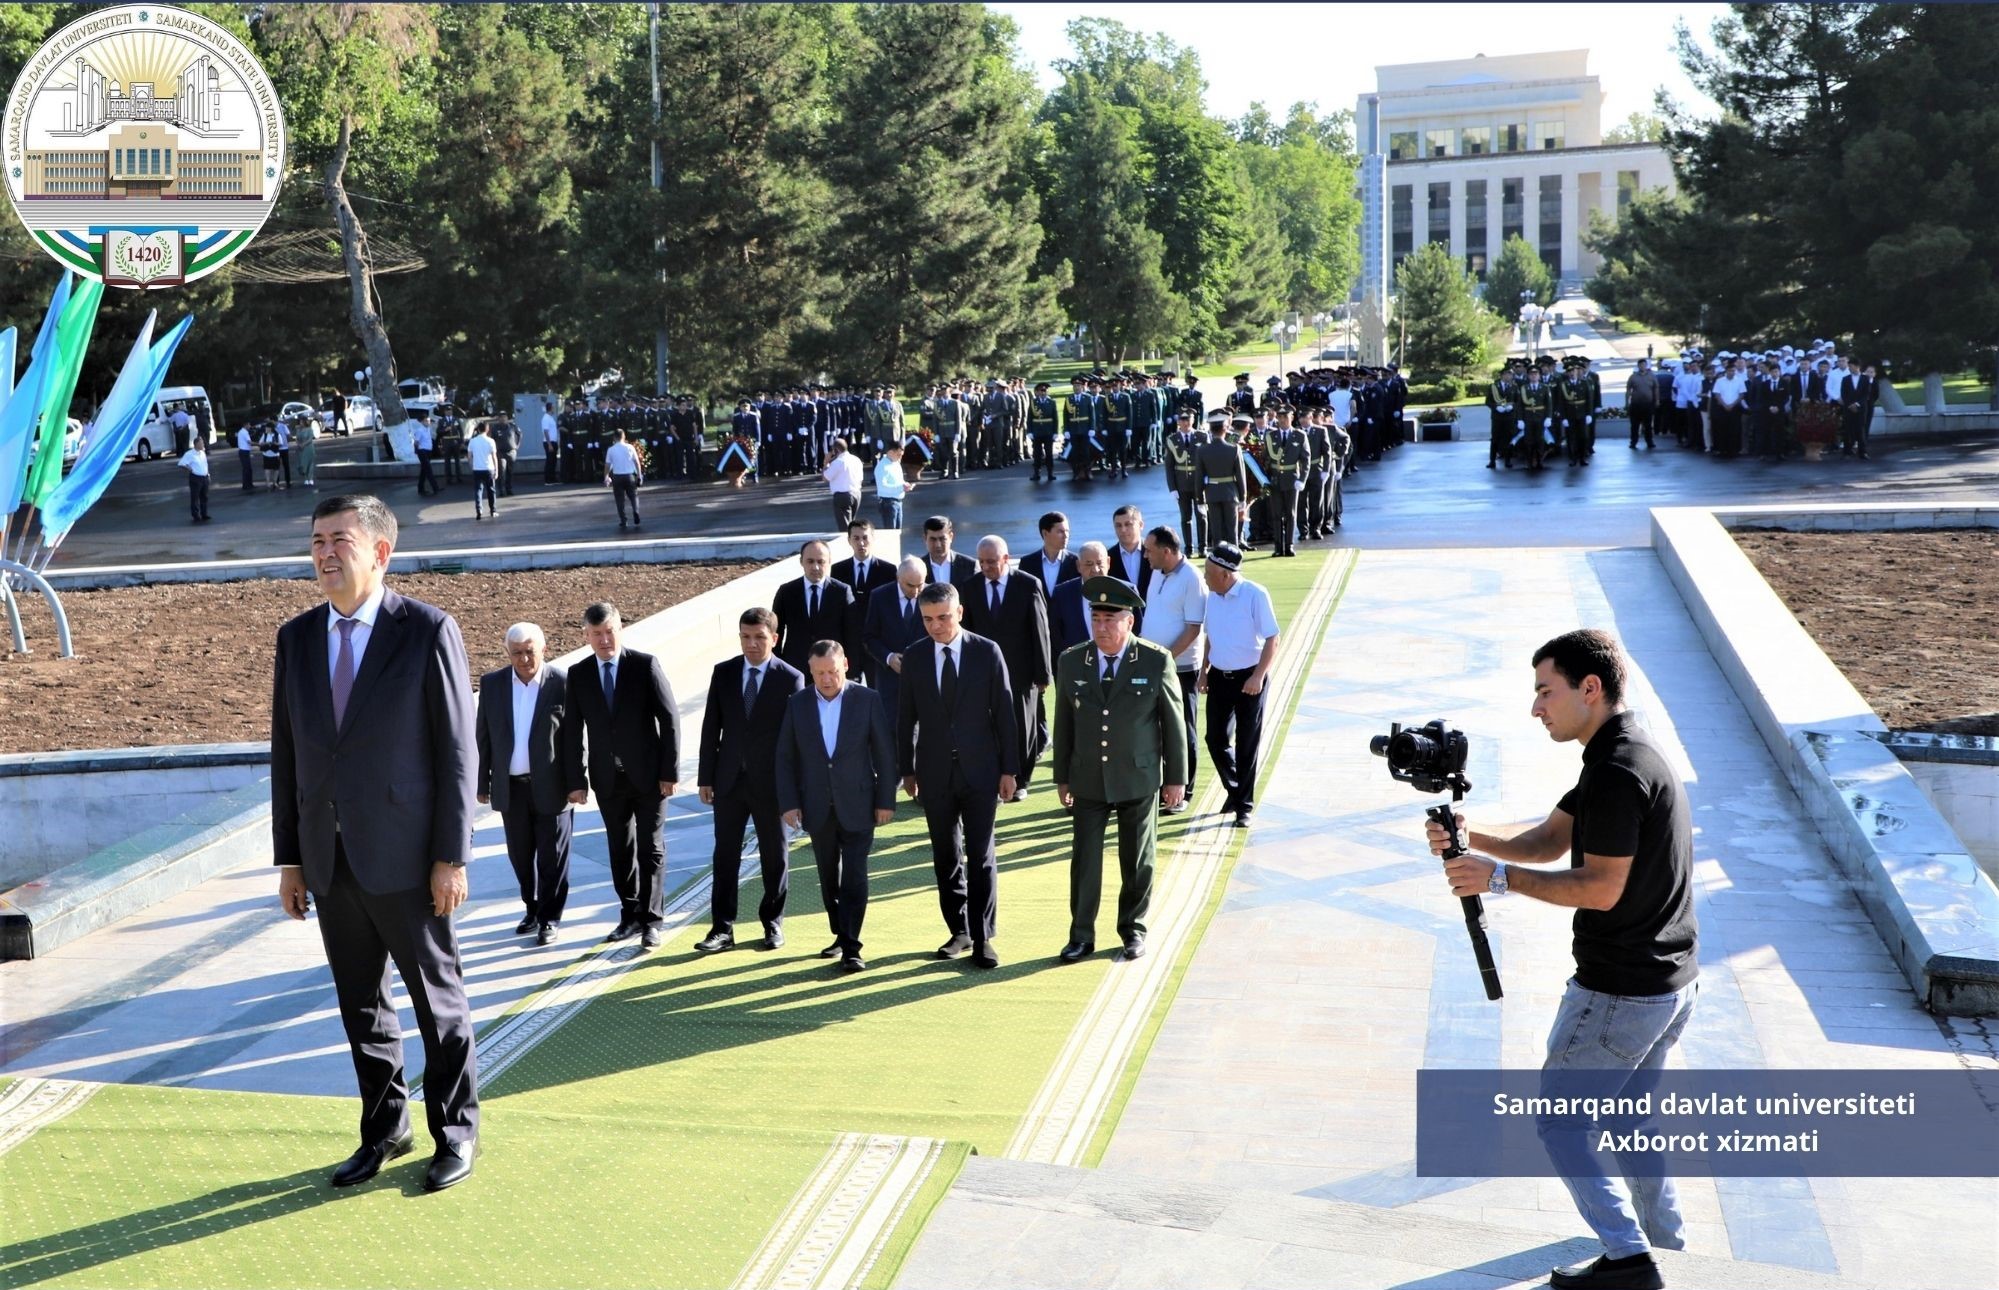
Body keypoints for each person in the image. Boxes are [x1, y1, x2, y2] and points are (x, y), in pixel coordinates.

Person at [1430, 630, 1697, 1290]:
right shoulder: (1622, 752)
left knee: (1560, 1124)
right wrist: (1471, 838)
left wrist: (1495, 879)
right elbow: (1551, 840)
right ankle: (1668, 1246)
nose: (1534, 708)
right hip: (1669, 985)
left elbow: (1600, 889)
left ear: (1589, 689)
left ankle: (1628, 1260)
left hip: (1620, 992)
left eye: (1544, 692)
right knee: (1631, 1115)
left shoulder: (1614, 772)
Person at [270, 493, 480, 1193]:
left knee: (434, 1003)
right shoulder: (296, 638)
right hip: (330, 862)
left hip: (409, 859)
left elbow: (456, 753)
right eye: (317, 541)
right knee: (360, 1004)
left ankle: (455, 1133)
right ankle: (384, 1128)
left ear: (381, 552)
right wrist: (291, 857)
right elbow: (288, 756)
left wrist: (451, 855)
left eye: (340, 540)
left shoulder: (426, 630)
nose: (325, 553)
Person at [1051, 576, 1187, 964]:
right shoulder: (1073, 660)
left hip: (1138, 776)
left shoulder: (1155, 659)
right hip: (1088, 776)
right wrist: (1062, 776)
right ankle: (1081, 935)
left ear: (1130, 621)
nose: (1102, 628)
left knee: (1137, 859)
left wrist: (1176, 778)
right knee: (1085, 860)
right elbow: (1064, 723)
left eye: (1111, 620)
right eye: (1096, 619)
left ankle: (1133, 930)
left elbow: (1173, 723)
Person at [895, 582, 1019, 969]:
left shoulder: (986, 652)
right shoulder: (914, 657)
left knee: (980, 855)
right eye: (928, 619)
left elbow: (1004, 713)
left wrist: (1010, 769)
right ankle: (959, 930)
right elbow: (905, 719)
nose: (936, 626)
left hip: (981, 771)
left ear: (959, 613)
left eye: (944, 617)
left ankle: (983, 936)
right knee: (945, 854)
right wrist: (907, 769)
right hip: (933, 773)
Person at [563, 601, 680, 949]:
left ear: (620, 629)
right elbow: (572, 731)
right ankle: (629, 914)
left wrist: (669, 771)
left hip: (649, 777)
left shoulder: (644, 666)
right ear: (586, 636)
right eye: (596, 634)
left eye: (609, 631)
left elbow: (669, 719)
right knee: (620, 848)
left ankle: (652, 921)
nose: (604, 640)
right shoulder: (579, 674)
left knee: (651, 848)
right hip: (607, 779)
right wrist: (576, 781)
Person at [776, 641, 897, 972]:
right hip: (817, 806)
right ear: (810, 671)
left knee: (854, 877)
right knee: (829, 877)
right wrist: (788, 803)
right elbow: (785, 758)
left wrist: (886, 800)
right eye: (819, 673)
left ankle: (852, 946)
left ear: (845, 664)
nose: (826, 679)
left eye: (832, 671)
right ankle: (840, 932)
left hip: (859, 804)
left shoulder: (867, 700)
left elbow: (885, 754)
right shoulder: (798, 703)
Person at [694, 608, 804, 954]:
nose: (751, 644)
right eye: (745, 636)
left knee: (775, 855)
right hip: (728, 782)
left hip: (771, 785)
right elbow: (711, 727)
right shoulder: (724, 673)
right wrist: (705, 777)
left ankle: (772, 923)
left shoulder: (790, 678)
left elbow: (795, 741)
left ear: (774, 638)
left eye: (759, 637)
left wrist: (792, 791)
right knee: (725, 855)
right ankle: (722, 929)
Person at [474, 622, 573, 946]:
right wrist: (482, 782)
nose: (524, 659)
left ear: (543, 650)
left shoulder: (561, 683)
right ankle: (531, 909)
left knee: (551, 858)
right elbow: (483, 736)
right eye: (517, 653)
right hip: (511, 788)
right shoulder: (493, 684)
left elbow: (574, 740)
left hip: (553, 788)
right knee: (520, 855)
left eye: (530, 652)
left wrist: (577, 782)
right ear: (508, 653)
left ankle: (549, 918)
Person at [958, 535, 1052, 800]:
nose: (986, 567)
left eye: (991, 562)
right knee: (989, 726)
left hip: (1022, 671)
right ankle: (997, 777)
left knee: (1023, 726)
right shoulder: (971, 586)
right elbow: (967, 633)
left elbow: (1039, 630)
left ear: (1006, 559)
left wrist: (1042, 672)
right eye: (982, 562)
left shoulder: (1027, 584)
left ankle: (1021, 779)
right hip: (984, 673)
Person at [1199, 542, 1279, 828]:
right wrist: (1204, 670)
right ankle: (1236, 790)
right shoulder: (1213, 596)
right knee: (1215, 739)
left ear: (1225, 575)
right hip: (1220, 676)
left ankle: (1243, 806)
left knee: (1247, 743)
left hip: (1250, 677)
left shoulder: (1254, 594)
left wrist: (1258, 676)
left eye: (1208, 573)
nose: (1205, 578)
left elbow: (1272, 638)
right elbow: (1210, 635)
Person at [1139, 525, 1205, 812]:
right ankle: (1160, 786)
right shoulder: (1157, 572)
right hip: (1154, 665)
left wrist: (1165, 658)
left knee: (1182, 728)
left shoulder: (1192, 578)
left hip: (1180, 668)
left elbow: (1193, 629)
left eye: (1149, 550)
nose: (1145, 555)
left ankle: (1184, 791)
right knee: (1153, 727)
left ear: (1166, 552)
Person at [774, 539, 856, 674]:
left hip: (830, 669)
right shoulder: (786, 592)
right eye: (810, 561)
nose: (815, 567)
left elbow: (852, 634)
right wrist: (777, 665)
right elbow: (777, 632)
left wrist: (852, 671)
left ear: (829, 562)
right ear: (801, 562)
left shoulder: (842, 591)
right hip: (795, 668)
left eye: (821, 561)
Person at [864, 556, 930, 718]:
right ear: (898, 578)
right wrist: (888, 657)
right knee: (891, 733)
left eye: (919, 585)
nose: (915, 592)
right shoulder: (880, 596)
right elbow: (869, 637)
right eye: (910, 585)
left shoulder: (933, 595)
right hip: (890, 683)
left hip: (925, 679)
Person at [1195, 412, 1247, 555]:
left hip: (1212, 493)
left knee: (1217, 530)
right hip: (1230, 492)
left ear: (1211, 430)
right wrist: (1243, 497)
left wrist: (1199, 499)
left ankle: (1218, 559)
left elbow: (1199, 477)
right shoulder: (1234, 448)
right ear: (1225, 429)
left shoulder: (1202, 450)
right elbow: (1240, 476)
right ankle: (1235, 558)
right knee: (1232, 529)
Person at [1048, 541, 1111, 659]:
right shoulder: (1062, 593)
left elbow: (1135, 627)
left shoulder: (1126, 590)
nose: (1095, 569)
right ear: (1078, 566)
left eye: (1099, 563)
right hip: (1077, 663)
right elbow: (1055, 632)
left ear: (1108, 563)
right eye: (1089, 564)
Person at [1164, 410, 1208, 557]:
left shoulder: (1202, 436)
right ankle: (1189, 548)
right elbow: (1169, 466)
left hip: (1199, 483)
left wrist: (1207, 478)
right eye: (1183, 419)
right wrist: (1172, 488)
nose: (1185, 422)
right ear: (1178, 422)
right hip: (1182, 484)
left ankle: (1203, 547)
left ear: (1193, 420)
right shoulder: (1173, 439)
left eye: (1188, 419)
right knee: (1186, 517)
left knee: (1201, 515)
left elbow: (1207, 461)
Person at [1017, 511, 1079, 598]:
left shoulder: (1076, 562)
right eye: (1060, 532)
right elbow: (1021, 596)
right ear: (1045, 533)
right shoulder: (1027, 563)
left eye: (1067, 531)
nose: (1066, 536)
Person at [1107, 504, 1154, 595]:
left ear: (1141, 525)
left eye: (1128, 524)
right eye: (1118, 525)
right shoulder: (1108, 557)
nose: (1123, 529)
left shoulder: (1155, 553)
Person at [920, 515, 978, 586]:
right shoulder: (917, 568)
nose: (938, 545)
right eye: (933, 539)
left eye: (942, 539)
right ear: (925, 539)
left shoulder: (969, 566)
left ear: (951, 537)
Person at [604, 428, 643, 530]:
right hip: (629, 475)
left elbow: (607, 465)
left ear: (614, 437)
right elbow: (637, 462)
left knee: (619, 500)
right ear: (624, 436)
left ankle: (623, 520)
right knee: (634, 496)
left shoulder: (611, 450)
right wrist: (639, 475)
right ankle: (636, 511)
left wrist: (606, 476)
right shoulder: (630, 447)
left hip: (617, 476)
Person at [822, 437, 864, 530]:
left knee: (845, 528)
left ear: (836, 450)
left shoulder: (838, 462)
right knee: (852, 525)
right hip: (857, 494)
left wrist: (826, 463)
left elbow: (825, 478)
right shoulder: (856, 459)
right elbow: (861, 479)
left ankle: (847, 543)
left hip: (842, 496)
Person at [874, 441, 912, 529]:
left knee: (898, 532)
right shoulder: (882, 467)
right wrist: (901, 487)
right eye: (899, 454)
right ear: (890, 452)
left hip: (898, 501)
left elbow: (898, 480)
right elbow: (882, 487)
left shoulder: (896, 464)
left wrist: (904, 484)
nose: (901, 457)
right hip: (888, 503)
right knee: (890, 533)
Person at [466, 420, 499, 520]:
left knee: (478, 490)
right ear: (487, 429)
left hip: (477, 469)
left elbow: (469, 456)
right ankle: (493, 510)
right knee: (491, 490)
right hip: (489, 468)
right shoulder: (490, 441)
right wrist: (496, 470)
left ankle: (479, 510)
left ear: (478, 429)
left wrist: (471, 466)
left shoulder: (473, 441)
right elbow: (494, 457)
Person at [1625, 359, 1658, 450]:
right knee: (1635, 425)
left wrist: (1657, 400)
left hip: (1648, 405)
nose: (1642, 366)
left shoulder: (1652, 376)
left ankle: (1649, 442)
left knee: (1648, 425)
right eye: (1641, 365)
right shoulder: (1633, 377)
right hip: (1636, 405)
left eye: (1644, 365)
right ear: (1638, 366)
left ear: (1646, 365)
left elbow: (1656, 389)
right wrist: (1627, 402)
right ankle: (1633, 442)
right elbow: (1628, 389)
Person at [178, 435, 211, 523]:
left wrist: (208, 474)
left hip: (204, 477)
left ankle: (204, 513)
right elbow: (181, 463)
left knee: (204, 497)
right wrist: (189, 469)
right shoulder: (189, 454)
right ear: (196, 444)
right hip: (196, 478)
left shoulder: (203, 453)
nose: (203, 444)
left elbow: (205, 464)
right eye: (201, 443)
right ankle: (196, 515)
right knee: (195, 497)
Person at [490, 416, 519, 497]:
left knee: (510, 472)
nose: (503, 420)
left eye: (504, 418)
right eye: (501, 418)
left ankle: (509, 489)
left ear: (507, 419)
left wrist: (517, 445)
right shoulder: (495, 428)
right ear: (499, 419)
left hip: (511, 452)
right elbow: (492, 439)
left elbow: (519, 434)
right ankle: (501, 490)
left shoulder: (512, 426)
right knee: (501, 471)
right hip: (500, 453)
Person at [413, 415, 439, 496]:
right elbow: (416, 442)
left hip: (428, 452)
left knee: (423, 471)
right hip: (422, 451)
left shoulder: (428, 429)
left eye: (428, 421)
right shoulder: (420, 430)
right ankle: (435, 488)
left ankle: (420, 488)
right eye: (426, 421)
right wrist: (418, 452)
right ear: (422, 422)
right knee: (428, 470)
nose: (428, 422)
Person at [294, 410, 319, 488]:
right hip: (300, 449)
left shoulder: (309, 429)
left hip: (308, 448)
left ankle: (310, 478)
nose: (300, 423)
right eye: (300, 422)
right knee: (302, 464)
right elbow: (297, 438)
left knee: (310, 464)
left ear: (305, 422)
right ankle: (305, 478)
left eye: (301, 422)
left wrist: (303, 444)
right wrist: (298, 444)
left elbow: (310, 439)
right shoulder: (298, 429)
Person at [259, 422, 284, 491]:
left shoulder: (277, 435)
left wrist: (274, 443)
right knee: (267, 468)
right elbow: (260, 443)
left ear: (271, 428)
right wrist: (265, 443)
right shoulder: (264, 435)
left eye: (267, 428)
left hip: (275, 454)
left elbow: (281, 443)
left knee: (276, 468)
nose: (266, 429)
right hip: (266, 453)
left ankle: (275, 482)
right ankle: (268, 482)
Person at [542, 401, 561, 484]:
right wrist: (549, 444)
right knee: (549, 461)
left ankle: (553, 478)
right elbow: (546, 431)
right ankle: (548, 479)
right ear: (550, 408)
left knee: (553, 461)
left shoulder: (551, 417)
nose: (554, 409)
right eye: (553, 408)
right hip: (548, 442)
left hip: (554, 442)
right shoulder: (545, 418)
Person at [235, 423, 256, 492]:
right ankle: (246, 485)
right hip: (244, 452)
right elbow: (249, 442)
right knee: (246, 469)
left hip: (244, 451)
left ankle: (249, 484)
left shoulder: (241, 432)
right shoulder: (244, 432)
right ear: (245, 425)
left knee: (248, 469)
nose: (250, 426)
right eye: (249, 425)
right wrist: (259, 444)